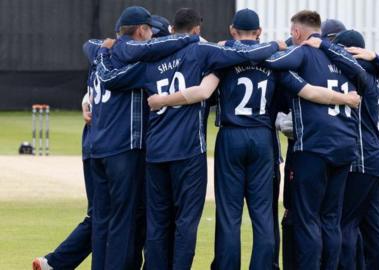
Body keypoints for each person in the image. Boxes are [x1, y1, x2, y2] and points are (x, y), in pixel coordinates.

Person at [144, 9, 360, 270]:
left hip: (231, 137)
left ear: (233, 30)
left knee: (229, 214)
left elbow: (204, 93)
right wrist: (343, 97)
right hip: (262, 138)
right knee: (262, 214)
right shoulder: (273, 60)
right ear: (259, 33)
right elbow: (299, 95)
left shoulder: (223, 60)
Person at [95, 7, 285, 269]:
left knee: (158, 221)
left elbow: (113, 80)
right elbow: (244, 53)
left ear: (172, 30)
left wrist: (103, 56)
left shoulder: (150, 60)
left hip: (156, 151)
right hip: (190, 151)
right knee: (187, 222)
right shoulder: (203, 52)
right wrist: (275, 45)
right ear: (197, 30)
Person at [83, 6, 200, 270]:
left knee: (101, 219)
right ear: (141, 31)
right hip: (124, 148)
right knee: (124, 221)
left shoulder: (100, 50)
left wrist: (103, 50)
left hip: (96, 146)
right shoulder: (140, 62)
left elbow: (89, 45)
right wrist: (192, 38)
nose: (153, 40)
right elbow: (121, 70)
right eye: (150, 33)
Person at [262, 10, 364, 270]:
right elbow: (362, 77)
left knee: (308, 219)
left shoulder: (302, 52)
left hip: (313, 147)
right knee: (331, 219)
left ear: (296, 32)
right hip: (345, 145)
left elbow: (274, 60)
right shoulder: (341, 59)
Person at [315, 29, 379, 270]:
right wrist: (376, 57)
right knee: (375, 225)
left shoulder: (358, 74)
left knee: (346, 222)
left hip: (361, 157)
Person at [32, 53, 99, 269]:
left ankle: (55, 263)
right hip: (108, 149)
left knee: (100, 215)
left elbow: (90, 95)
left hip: (94, 145)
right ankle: (55, 263)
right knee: (103, 216)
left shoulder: (105, 60)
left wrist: (85, 102)